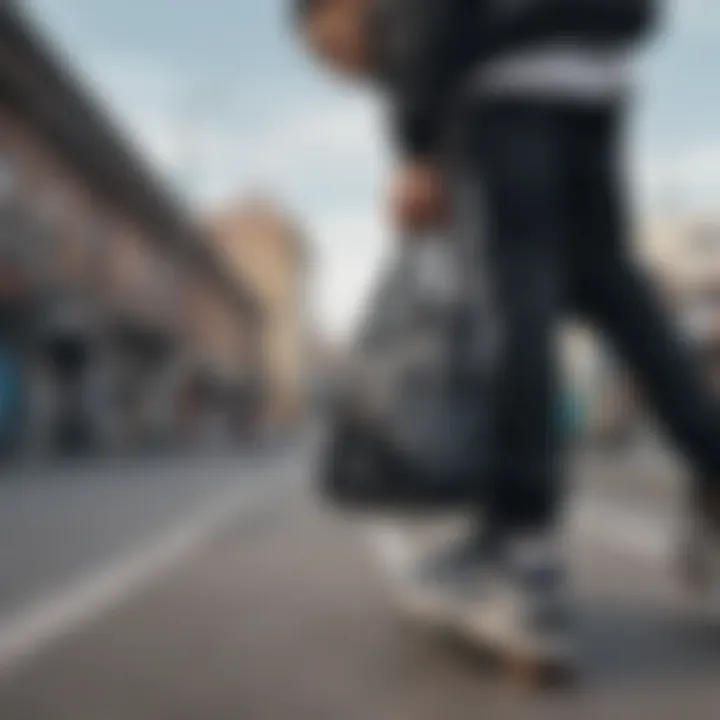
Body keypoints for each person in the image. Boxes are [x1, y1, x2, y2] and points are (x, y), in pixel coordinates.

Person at [293, 0, 720, 664]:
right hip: (594, 73)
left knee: (516, 301)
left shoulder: (402, 24)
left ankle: (524, 558)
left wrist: (418, 148)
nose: (339, 67)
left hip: (504, 87)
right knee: (614, 290)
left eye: (325, 48)